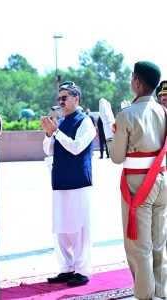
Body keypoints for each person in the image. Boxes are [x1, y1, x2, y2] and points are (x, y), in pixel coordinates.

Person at [100, 61, 167, 299]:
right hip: (160, 180)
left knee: (139, 245)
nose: (130, 82)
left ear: (137, 83)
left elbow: (117, 157)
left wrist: (110, 129)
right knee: (159, 242)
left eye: (131, 78)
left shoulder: (126, 115)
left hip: (138, 185)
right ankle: (161, 292)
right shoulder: (163, 111)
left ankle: (144, 294)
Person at [40, 80, 96, 287]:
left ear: (76, 99)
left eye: (64, 98)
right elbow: (48, 150)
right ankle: (66, 267)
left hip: (79, 181)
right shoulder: (60, 122)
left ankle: (82, 270)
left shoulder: (86, 122)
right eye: (59, 99)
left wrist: (55, 132)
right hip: (60, 180)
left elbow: (76, 147)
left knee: (79, 228)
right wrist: (48, 133)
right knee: (61, 228)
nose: (61, 102)